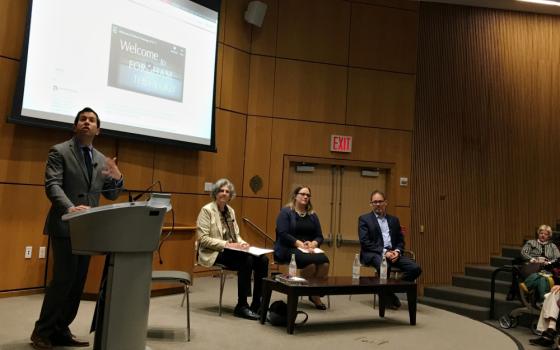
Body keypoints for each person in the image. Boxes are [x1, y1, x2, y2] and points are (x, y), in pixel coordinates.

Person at [31, 107, 124, 350]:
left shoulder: (102, 159)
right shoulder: (59, 151)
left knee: (78, 283)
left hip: (89, 229)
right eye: (82, 119)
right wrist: (69, 208)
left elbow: (112, 195)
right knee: (63, 279)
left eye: (91, 120)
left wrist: (118, 177)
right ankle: (42, 331)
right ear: (75, 126)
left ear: (98, 129)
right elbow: (52, 185)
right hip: (64, 225)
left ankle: (61, 329)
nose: (87, 122)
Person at [196, 178, 269, 320]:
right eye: (221, 191)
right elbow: (203, 239)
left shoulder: (230, 211)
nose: (224, 193)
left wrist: (243, 244)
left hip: (233, 251)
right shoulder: (206, 210)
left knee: (263, 260)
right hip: (214, 252)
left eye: (227, 191)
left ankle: (257, 304)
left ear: (231, 195)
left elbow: (236, 235)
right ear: (216, 193)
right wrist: (227, 244)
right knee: (246, 260)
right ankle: (241, 305)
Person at [358, 190, 422, 309]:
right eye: (375, 202)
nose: (377, 204)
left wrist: (397, 251)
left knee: (415, 269)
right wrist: (385, 252)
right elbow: (365, 242)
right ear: (371, 204)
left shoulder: (394, 220)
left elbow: (400, 241)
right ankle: (387, 297)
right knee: (384, 266)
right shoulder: (364, 219)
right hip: (373, 253)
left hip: (393, 253)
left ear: (385, 203)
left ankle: (390, 291)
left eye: (380, 201)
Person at [274, 186, 330, 310]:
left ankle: (314, 293)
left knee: (324, 262)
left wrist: (314, 243)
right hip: (288, 247)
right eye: (303, 194)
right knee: (310, 263)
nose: (306, 197)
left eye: (308, 195)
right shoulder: (286, 212)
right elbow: (282, 234)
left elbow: (319, 236)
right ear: (295, 196)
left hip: (308, 249)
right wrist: (299, 243)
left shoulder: (313, 215)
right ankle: (301, 291)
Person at [519, 224, 560, 303]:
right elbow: (523, 253)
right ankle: (544, 301)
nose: (543, 235)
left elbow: (558, 257)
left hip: (547, 267)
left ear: (549, 236)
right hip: (532, 266)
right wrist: (534, 259)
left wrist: (549, 262)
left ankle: (528, 286)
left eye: (546, 234)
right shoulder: (531, 243)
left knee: (542, 278)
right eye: (541, 233)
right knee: (543, 276)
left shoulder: (552, 246)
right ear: (538, 233)